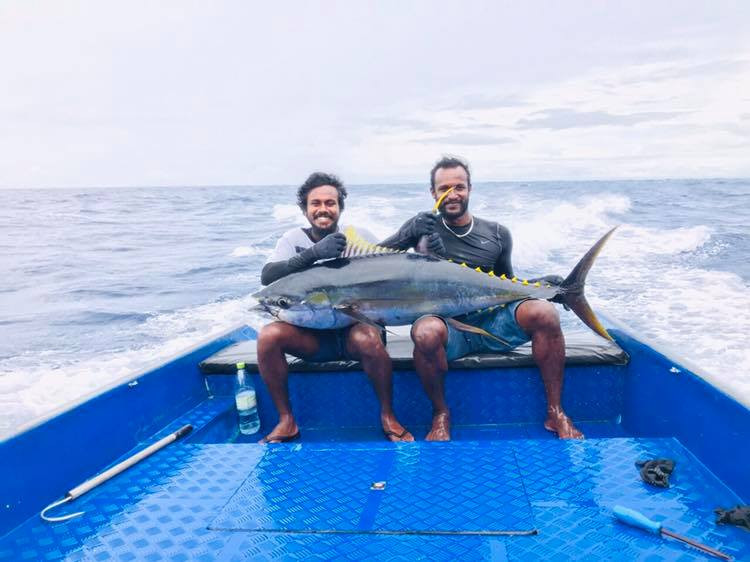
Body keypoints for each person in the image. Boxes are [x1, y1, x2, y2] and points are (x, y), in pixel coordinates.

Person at [380, 156, 583, 441]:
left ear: (470, 189)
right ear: (433, 194)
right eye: (444, 188)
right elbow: (371, 266)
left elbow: (506, 285)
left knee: (544, 312)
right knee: (424, 332)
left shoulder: (498, 234)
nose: (452, 194)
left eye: (459, 186)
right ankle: (441, 413)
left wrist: (541, 288)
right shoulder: (421, 230)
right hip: (449, 328)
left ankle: (555, 411)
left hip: (492, 323)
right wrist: (404, 236)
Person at [256, 172, 413, 443]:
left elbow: (391, 271)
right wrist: (312, 255)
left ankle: (388, 415)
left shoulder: (359, 237)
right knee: (268, 336)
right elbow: (268, 276)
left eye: (330, 203)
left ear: (340, 207)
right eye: (315, 203)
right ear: (305, 209)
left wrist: (412, 238)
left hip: (355, 331)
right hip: (313, 337)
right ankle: (287, 421)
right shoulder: (292, 240)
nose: (323, 209)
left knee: (367, 336)